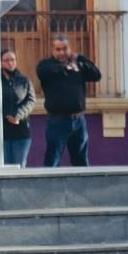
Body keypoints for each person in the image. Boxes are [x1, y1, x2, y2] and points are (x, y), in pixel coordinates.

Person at [36, 35, 101, 167]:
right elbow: (45, 72)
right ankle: (50, 187)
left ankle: (82, 187)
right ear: (52, 50)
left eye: (65, 49)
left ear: (70, 48)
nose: (61, 52)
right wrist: (67, 67)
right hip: (57, 121)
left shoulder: (78, 64)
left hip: (79, 121)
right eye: (58, 49)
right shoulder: (46, 65)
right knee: (53, 160)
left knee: (81, 160)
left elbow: (96, 75)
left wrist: (80, 58)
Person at [1, 49, 35, 167]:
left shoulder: (24, 80)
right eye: (6, 60)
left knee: (19, 166)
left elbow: (31, 101)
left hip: (21, 131)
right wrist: (6, 114)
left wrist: (18, 115)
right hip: (2, 132)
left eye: (13, 60)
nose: (10, 63)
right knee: (5, 167)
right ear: (1, 62)